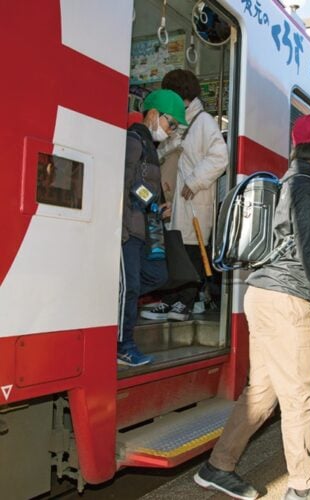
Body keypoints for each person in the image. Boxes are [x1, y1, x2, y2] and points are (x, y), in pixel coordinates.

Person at [193, 114, 310, 500]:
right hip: (286, 300)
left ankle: (218, 466)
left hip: (263, 296)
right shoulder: (307, 187)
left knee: (263, 391)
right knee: (302, 395)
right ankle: (303, 489)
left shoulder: (287, 181)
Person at [140, 69, 228, 322]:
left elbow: (220, 156)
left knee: (190, 251)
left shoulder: (203, 121)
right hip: (176, 200)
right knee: (175, 249)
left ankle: (184, 302)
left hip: (192, 199)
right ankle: (170, 300)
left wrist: (194, 180)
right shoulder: (182, 121)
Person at [118, 89, 187, 367]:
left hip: (143, 232)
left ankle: (116, 312)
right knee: (131, 286)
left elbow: (141, 187)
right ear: (154, 114)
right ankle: (123, 344)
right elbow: (123, 184)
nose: (170, 131)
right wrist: (148, 206)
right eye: (171, 124)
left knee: (155, 276)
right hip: (128, 229)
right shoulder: (134, 141)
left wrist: (159, 205)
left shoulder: (149, 146)